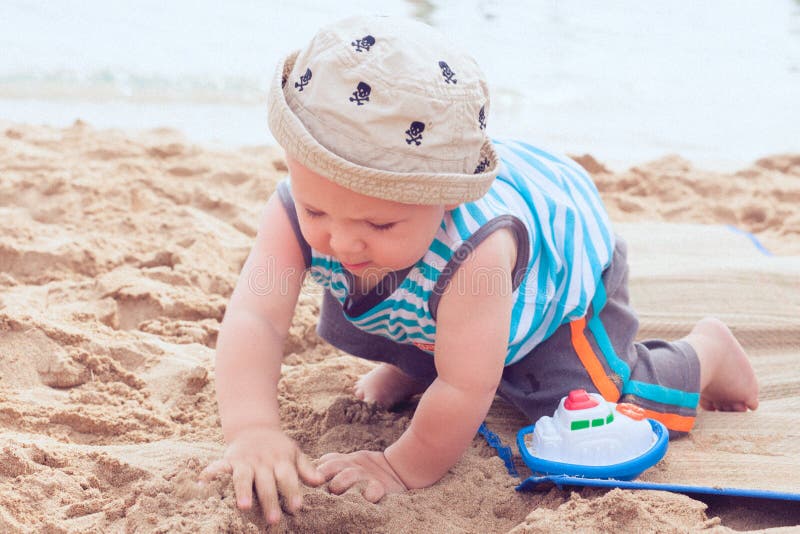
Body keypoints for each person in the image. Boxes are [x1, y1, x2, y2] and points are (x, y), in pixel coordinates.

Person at [199, 15, 759, 526]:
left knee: (593, 396)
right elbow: (256, 319)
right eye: (317, 209)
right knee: (391, 286)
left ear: (446, 201)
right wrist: (252, 430)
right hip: (441, 295)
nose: (341, 239)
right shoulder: (304, 213)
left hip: (556, 271)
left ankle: (706, 352)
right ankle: (419, 356)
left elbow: (471, 385)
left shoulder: (477, 253)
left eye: (380, 221)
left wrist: (400, 466)